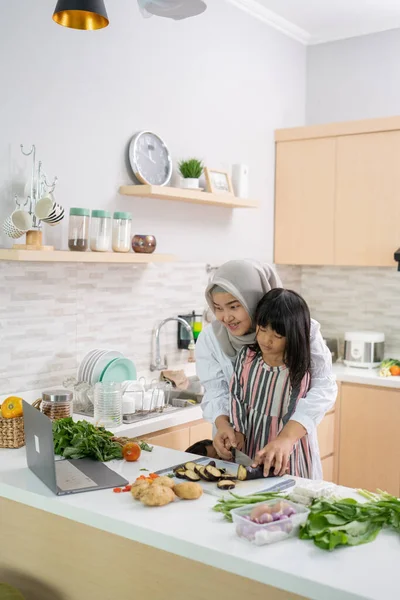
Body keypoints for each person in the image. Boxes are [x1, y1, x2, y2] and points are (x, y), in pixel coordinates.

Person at [195, 259, 337, 479]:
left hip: (290, 449)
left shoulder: (300, 330)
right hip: (237, 448)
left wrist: (286, 439)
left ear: (253, 301)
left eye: (234, 306)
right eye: (217, 308)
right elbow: (218, 391)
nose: (226, 317)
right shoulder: (210, 339)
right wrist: (223, 425)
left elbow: (324, 388)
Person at [231, 288, 312, 478]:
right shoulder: (247, 356)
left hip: (283, 450)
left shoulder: (297, 369)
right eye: (262, 329)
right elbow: (236, 395)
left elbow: (294, 413)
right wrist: (239, 431)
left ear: (294, 335)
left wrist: (280, 447)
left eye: (277, 336)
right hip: (250, 441)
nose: (266, 340)